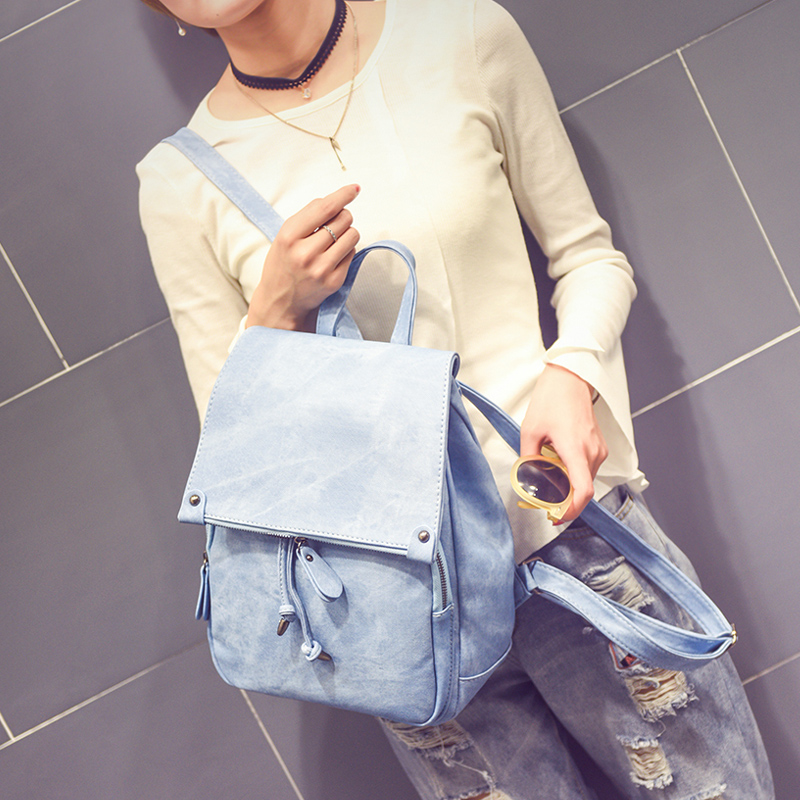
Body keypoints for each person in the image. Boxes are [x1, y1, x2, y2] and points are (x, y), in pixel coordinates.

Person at [136, 1, 774, 797]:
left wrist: (572, 377)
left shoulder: (459, 34)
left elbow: (589, 257)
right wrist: (274, 308)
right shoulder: (179, 184)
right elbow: (233, 442)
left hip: (565, 530)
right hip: (394, 612)